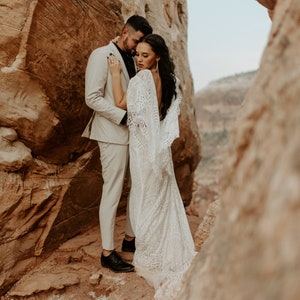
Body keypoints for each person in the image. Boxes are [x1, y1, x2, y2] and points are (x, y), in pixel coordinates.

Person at [108, 34, 196, 299]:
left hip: (143, 147)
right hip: (159, 148)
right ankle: (160, 243)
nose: (140, 60)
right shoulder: (170, 80)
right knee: (160, 197)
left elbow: (120, 104)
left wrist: (114, 72)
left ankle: (150, 249)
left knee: (145, 195)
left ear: (157, 55)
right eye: (138, 54)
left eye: (145, 55)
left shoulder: (142, 79)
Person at [82, 15, 153, 273]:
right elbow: (92, 97)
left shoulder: (135, 59)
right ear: (124, 32)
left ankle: (129, 240)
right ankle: (107, 252)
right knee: (112, 191)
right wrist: (122, 116)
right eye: (136, 39)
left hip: (134, 136)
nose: (138, 46)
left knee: (138, 186)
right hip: (112, 134)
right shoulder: (101, 55)